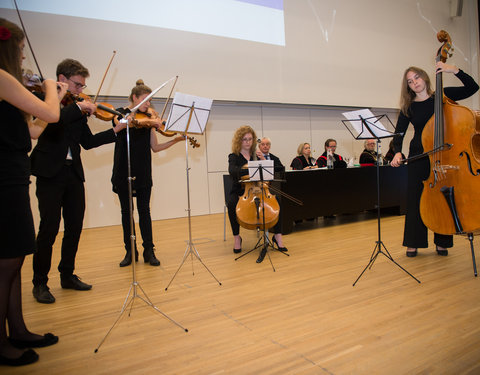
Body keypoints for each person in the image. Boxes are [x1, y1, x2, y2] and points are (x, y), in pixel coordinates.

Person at [30, 58, 126, 304]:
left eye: (83, 86)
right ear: (62, 79)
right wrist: (79, 108)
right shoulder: (46, 101)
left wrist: (115, 131)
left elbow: (88, 142)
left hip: (73, 173)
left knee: (74, 227)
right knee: (49, 228)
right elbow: (51, 122)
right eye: (77, 85)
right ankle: (40, 282)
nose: (81, 90)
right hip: (50, 172)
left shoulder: (76, 107)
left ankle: (67, 274)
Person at [0, 18, 68, 366]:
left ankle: (19, 329)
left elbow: (33, 131)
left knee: (14, 257)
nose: (23, 55)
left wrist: (49, 100)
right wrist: (50, 90)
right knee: (7, 260)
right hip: (3, 177)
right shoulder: (1, 76)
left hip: (13, 172)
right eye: (22, 49)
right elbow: (52, 114)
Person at [390, 62, 479, 257]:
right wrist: (397, 151)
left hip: (444, 154)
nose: (415, 83)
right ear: (408, 87)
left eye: (417, 78)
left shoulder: (443, 96)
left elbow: (473, 88)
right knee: (415, 198)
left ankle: (443, 241)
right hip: (419, 156)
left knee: (442, 196)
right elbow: (399, 133)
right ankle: (413, 242)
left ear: (425, 77)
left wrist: (453, 70)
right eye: (410, 82)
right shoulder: (409, 106)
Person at [112, 79, 184, 267]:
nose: (148, 104)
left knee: (145, 211)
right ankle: (130, 251)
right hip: (123, 170)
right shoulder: (121, 113)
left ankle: (149, 250)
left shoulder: (148, 123)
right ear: (134, 98)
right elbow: (118, 123)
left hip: (143, 171)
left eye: (150, 101)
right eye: (145, 99)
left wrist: (176, 140)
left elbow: (156, 147)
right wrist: (153, 119)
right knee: (126, 212)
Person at [227, 126, 288, 262]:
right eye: (244, 140)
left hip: (259, 189)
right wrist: (250, 169)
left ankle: (277, 235)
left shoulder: (257, 154)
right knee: (231, 203)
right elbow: (233, 171)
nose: (248, 142)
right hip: (240, 190)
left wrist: (264, 161)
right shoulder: (234, 157)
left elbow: (278, 169)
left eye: (250, 139)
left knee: (277, 200)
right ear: (239, 141)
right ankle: (237, 237)